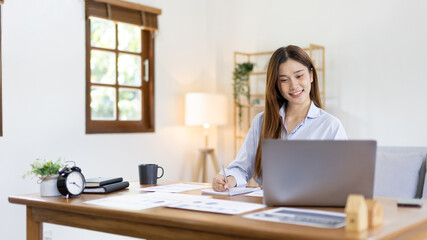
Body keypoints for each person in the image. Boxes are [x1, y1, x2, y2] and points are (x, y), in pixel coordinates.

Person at [212, 45, 347, 191]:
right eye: (284, 80)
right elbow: (241, 168)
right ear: (276, 84)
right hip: (266, 207)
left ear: (312, 76)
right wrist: (228, 179)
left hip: (312, 205)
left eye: (299, 76)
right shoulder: (262, 121)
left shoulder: (330, 126)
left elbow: (344, 177)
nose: (293, 85)